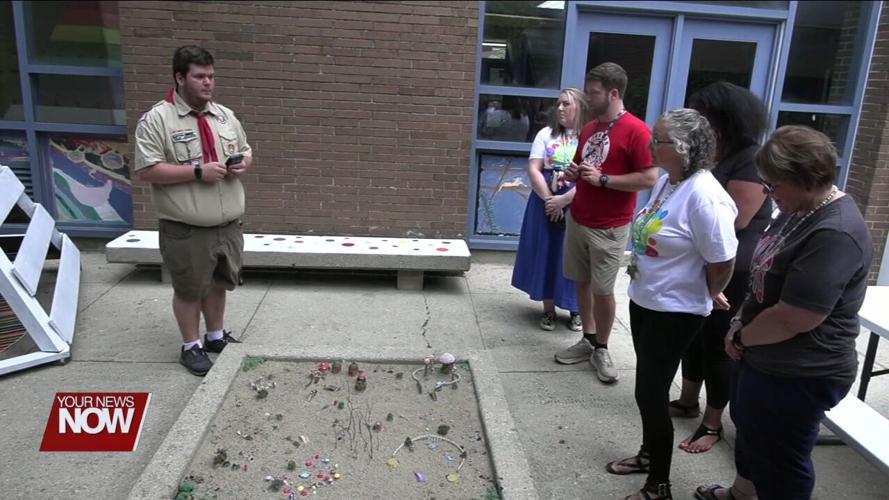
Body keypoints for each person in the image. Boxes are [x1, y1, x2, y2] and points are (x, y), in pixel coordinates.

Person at [695, 126, 873, 500]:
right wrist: (740, 321)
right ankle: (742, 493)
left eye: (773, 185)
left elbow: (797, 316)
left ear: (804, 177)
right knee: (751, 430)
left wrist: (741, 335)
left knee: (781, 458)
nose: (768, 193)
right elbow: (764, 273)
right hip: (762, 353)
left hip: (802, 369)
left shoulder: (834, 232)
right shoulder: (796, 209)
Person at [605, 109, 738, 500]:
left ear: (682, 148)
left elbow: (723, 259)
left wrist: (708, 291)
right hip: (647, 300)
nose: (649, 145)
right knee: (647, 390)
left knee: (650, 393)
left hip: (676, 311)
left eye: (657, 140)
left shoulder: (706, 197)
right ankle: (649, 455)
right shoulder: (669, 181)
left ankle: (658, 486)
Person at [134, 46, 252, 376]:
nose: (208, 83)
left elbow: (246, 151)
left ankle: (214, 337)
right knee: (189, 289)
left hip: (227, 223)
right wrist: (197, 172)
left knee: (217, 283)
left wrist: (243, 163)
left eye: (211, 76)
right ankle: (191, 346)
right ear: (179, 77)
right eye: (199, 77)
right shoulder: (157, 119)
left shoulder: (225, 116)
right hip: (186, 227)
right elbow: (147, 170)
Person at [669, 82, 771, 454]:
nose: (697, 121)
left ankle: (713, 423)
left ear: (725, 118)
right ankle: (687, 400)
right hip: (704, 258)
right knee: (693, 336)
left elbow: (737, 219)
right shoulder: (713, 154)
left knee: (717, 342)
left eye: (703, 115)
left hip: (734, 265)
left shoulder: (750, 158)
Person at [554, 62, 658, 383]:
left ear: (614, 93)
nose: (588, 97)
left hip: (610, 227)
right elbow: (581, 164)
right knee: (581, 282)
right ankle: (588, 338)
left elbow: (649, 178)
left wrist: (603, 180)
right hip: (579, 219)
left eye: (594, 92)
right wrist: (573, 172)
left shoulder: (638, 130)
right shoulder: (590, 128)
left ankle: (602, 346)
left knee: (602, 290)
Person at [511, 88, 591, 331]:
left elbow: (590, 176)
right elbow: (534, 168)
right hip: (544, 200)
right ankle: (548, 309)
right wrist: (549, 200)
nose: (560, 109)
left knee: (574, 255)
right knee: (547, 251)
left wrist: (564, 200)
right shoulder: (545, 134)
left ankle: (576, 308)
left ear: (581, 107)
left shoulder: (590, 137)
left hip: (577, 202)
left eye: (566, 104)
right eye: (558, 104)